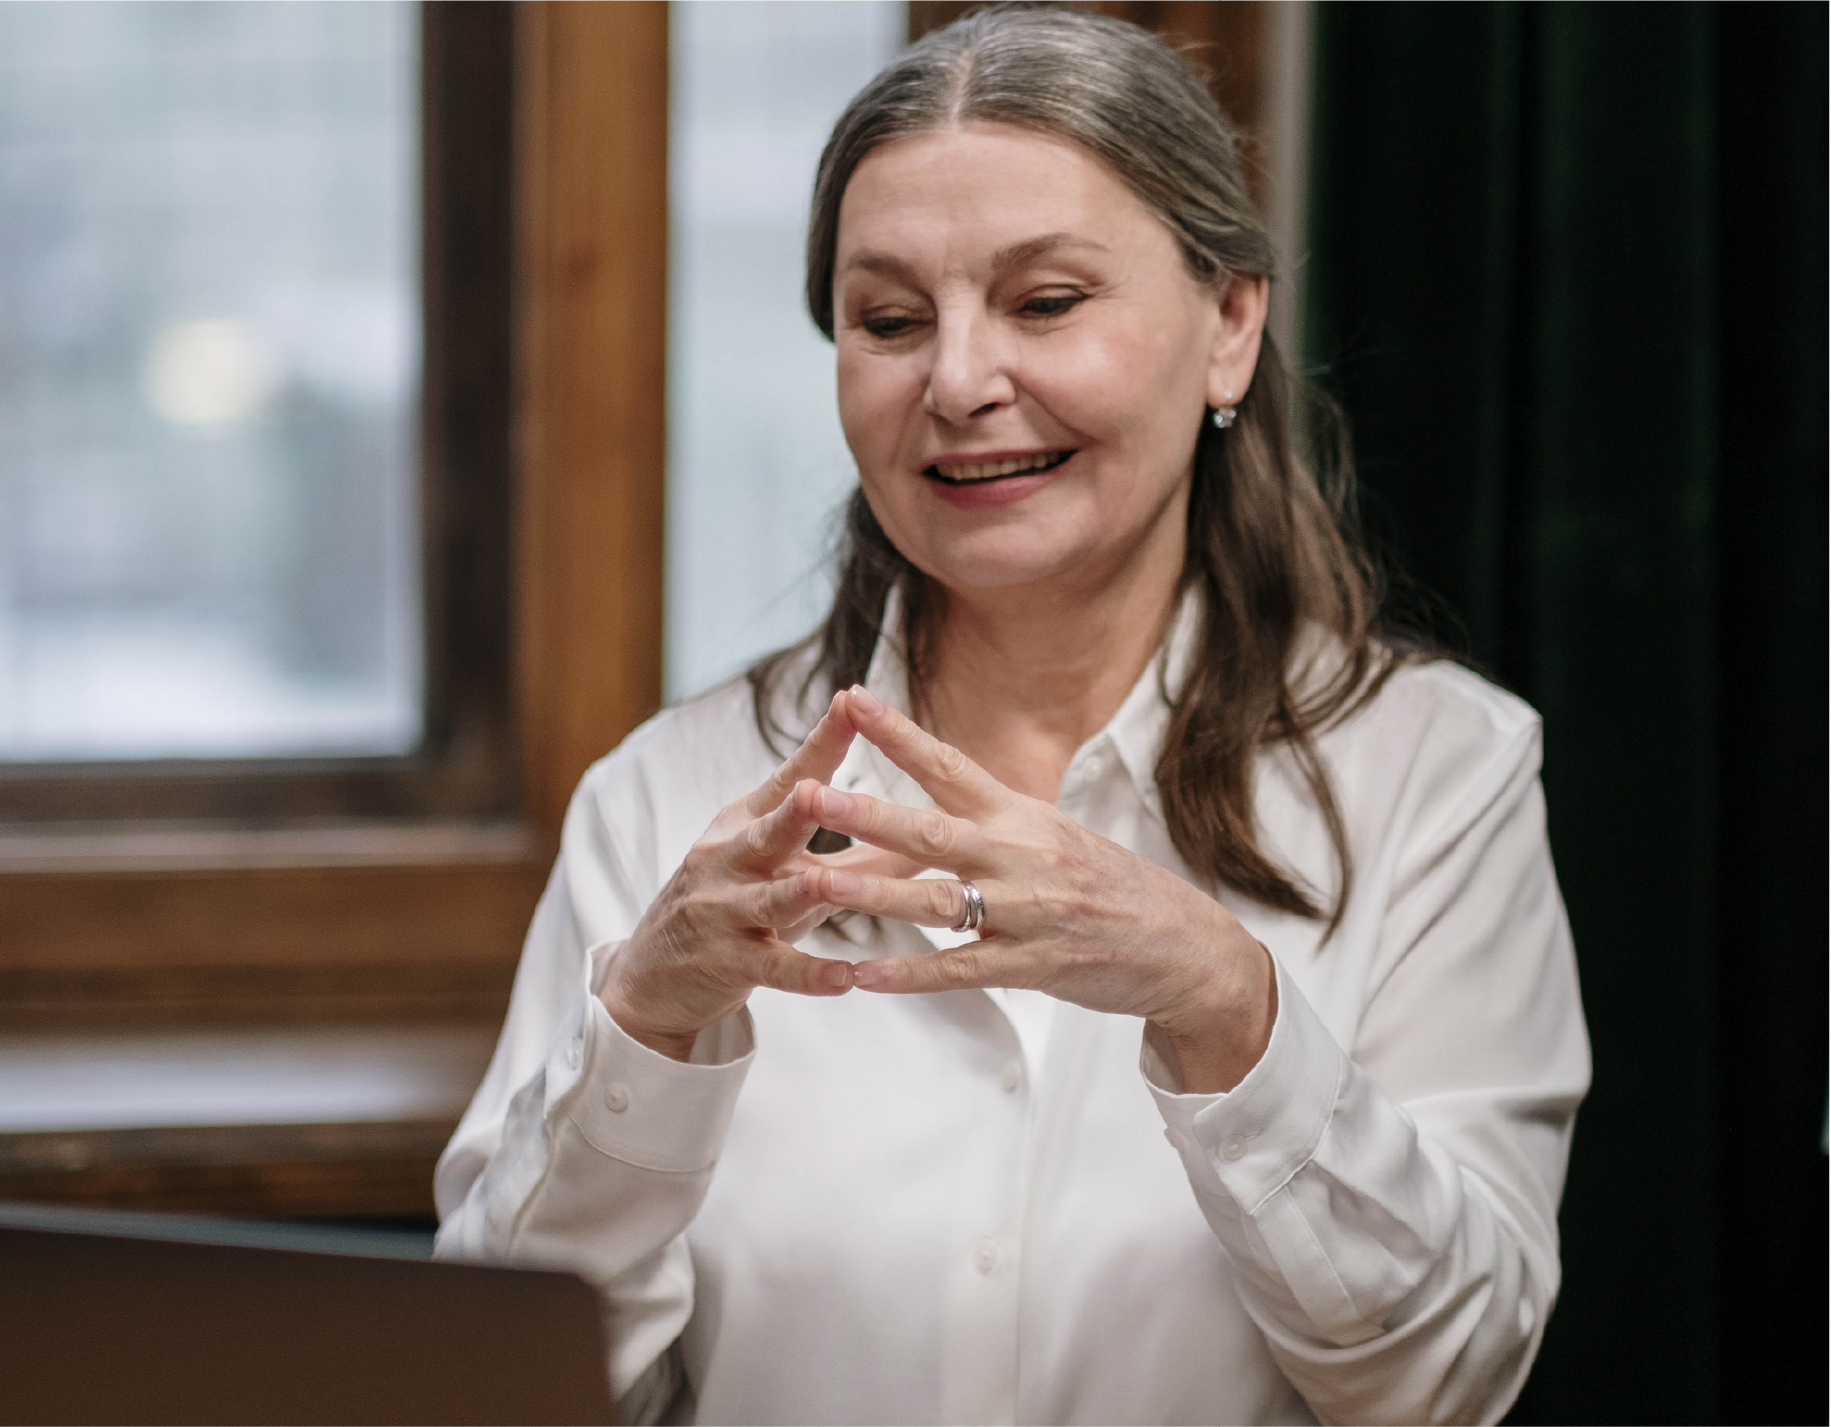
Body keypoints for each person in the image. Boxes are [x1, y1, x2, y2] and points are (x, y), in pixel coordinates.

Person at [433, 8, 1590, 1424]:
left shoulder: (1438, 774)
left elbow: (1444, 1379)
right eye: (890, 320)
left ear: (1228, 326)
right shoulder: (668, 798)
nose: (960, 382)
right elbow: (503, 1392)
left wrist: (1224, 1002)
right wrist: (644, 1029)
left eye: (1044, 303)